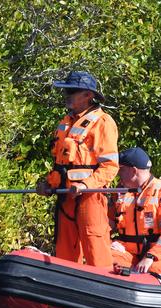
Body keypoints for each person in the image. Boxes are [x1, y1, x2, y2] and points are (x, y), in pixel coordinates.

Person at [36, 71, 119, 268]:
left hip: (90, 198)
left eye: (72, 91)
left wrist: (86, 184)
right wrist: (48, 185)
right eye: (66, 90)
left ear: (88, 95)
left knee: (95, 250)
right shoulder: (65, 122)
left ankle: (104, 290)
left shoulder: (103, 123)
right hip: (65, 196)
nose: (67, 95)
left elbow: (110, 167)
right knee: (65, 254)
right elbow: (61, 164)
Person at [109, 147, 161, 274]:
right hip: (128, 254)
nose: (118, 174)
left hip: (160, 255)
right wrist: (109, 243)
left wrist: (151, 256)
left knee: (156, 269)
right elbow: (107, 224)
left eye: (121, 169)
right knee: (104, 259)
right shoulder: (119, 192)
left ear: (133, 171)